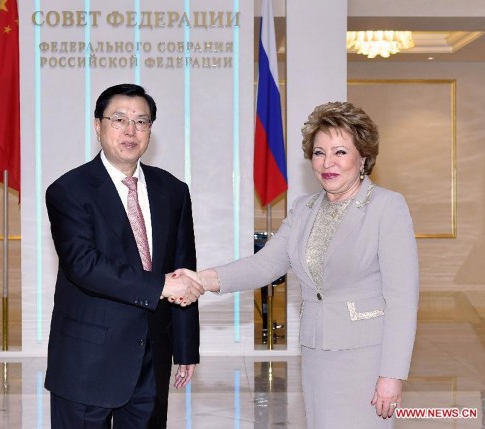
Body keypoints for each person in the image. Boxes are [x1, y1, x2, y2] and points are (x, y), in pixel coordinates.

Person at [175, 101, 419, 428]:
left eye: (340, 152)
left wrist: (392, 374)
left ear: (363, 157)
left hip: (365, 357)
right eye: (319, 153)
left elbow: (403, 299)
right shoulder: (305, 209)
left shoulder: (387, 207)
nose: (327, 163)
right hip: (316, 352)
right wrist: (201, 279)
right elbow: (263, 265)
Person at [45, 83, 203, 429]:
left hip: (151, 358)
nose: (131, 130)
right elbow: (83, 265)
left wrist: (186, 347)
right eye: (119, 119)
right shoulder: (68, 190)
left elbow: (182, 267)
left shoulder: (173, 191)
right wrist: (161, 285)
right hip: (87, 361)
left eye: (142, 121)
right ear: (98, 126)